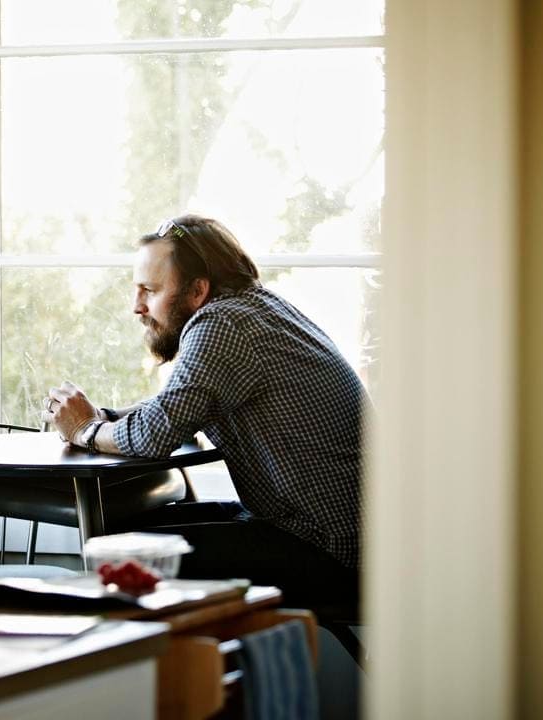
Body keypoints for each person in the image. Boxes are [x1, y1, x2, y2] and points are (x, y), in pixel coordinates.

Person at [42, 214, 366, 607]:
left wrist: (86, 431)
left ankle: (182, 666)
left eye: (150, 290)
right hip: (330, 534)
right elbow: (181, 405)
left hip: (329, 548)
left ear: (197, 290)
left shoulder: (222, 323)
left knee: (127, 555)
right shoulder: (256, 307)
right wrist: (107, 416)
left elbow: (154, 434)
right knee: (128, 535)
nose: (137, 307)